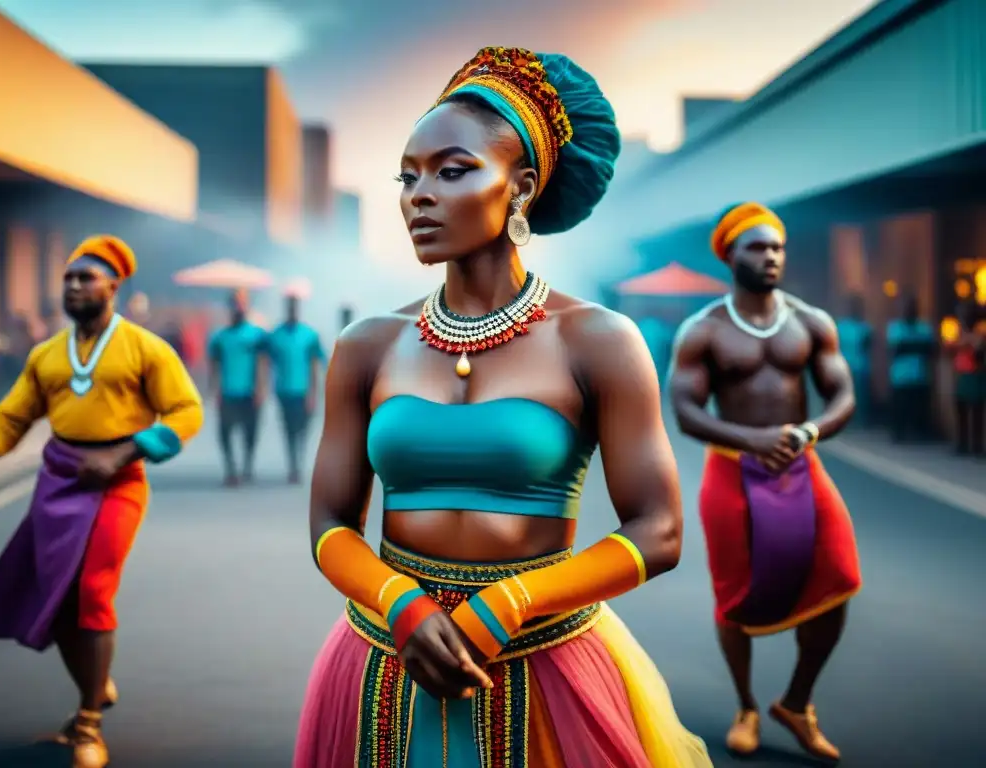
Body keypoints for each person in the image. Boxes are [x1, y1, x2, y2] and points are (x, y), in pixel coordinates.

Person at [293, 47, 711, 768]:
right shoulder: (366, 345)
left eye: (452, 170)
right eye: (408, 175)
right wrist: (404, 607)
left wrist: (504, 606)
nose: (419, 194)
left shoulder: (599, 341)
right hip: (383, 660)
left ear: (520, 188)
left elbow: (660, 530)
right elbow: (330, 524)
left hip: (546, 666)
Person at [0, 235, 203, 768]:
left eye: (86, 277)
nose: (74, 286)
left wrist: (123, 452)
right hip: (58, 480)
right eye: (69, 277)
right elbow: (9, 419)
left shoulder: (145, 348)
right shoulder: (46, 355)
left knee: (92, 588)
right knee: (60, 596)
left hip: (116, 482)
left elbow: (186, 411)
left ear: (113, 286)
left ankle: (88, 724)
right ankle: (97, 684)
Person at [669, 202, 862, 762]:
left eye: (777, 247)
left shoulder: (810, 322)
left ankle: (797, 703)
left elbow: (843, 397)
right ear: (731, 255)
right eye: (757, 247)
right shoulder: (703, 330)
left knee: (841, 575)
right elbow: (683, 409)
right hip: (731, 470)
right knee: (735, 596)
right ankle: (748, 705)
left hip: (801, 465)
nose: (771, 256)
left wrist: (807, 431)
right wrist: (750, 439)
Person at [265, 293, 326, 483]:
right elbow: (265, 360)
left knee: (303, 428)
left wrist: (314, 393)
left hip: (304, 391)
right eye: (289, 307)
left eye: (295, 307)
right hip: (284, 391)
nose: (292, 310)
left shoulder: (309, 335)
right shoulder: (276, 335)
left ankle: (298, 459)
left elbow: (316, 364)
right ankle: (294, 465)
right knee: (289, 429)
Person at [208, 289, 267, 486]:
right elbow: (214, 365)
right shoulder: (219, 337)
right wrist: (214, 390)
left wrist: (261, 388)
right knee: (225, 433)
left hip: (249, 393)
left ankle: (247, 465)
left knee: (250, 432)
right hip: (227, 392)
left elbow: (261, 363)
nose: (238, 308)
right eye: (235, 303)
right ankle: (230, 468)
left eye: (242, 303)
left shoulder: (257, 335)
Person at [886, 295, 935, 442]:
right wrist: (916, 346)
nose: (909, 310)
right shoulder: (895, 327)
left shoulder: (924, 327)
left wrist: (907, 346)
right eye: (906, 307)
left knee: (920, 408)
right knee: (901, 407)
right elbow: (896, 349)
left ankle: (919, 433)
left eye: (912, 307)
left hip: (920, 375)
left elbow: (929, 349)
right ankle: (899, 434)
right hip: (900, 376)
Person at [949, 301, 985, 455]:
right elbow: (952, 348)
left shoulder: (979, 336)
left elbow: (977, 352)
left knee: (977, 413)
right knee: (961, 412)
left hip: (975, 377)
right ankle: (962, 444)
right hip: (962, 376)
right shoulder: (959, 334)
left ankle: (976, 445)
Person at [836, 295, 873, 426]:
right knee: (845, 396)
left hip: (861, 367)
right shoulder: (841, 326)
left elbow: (868, 345)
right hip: (845, 367)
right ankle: (847, 422)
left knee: (861, 397)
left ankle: (861, 422)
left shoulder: (864, 327)